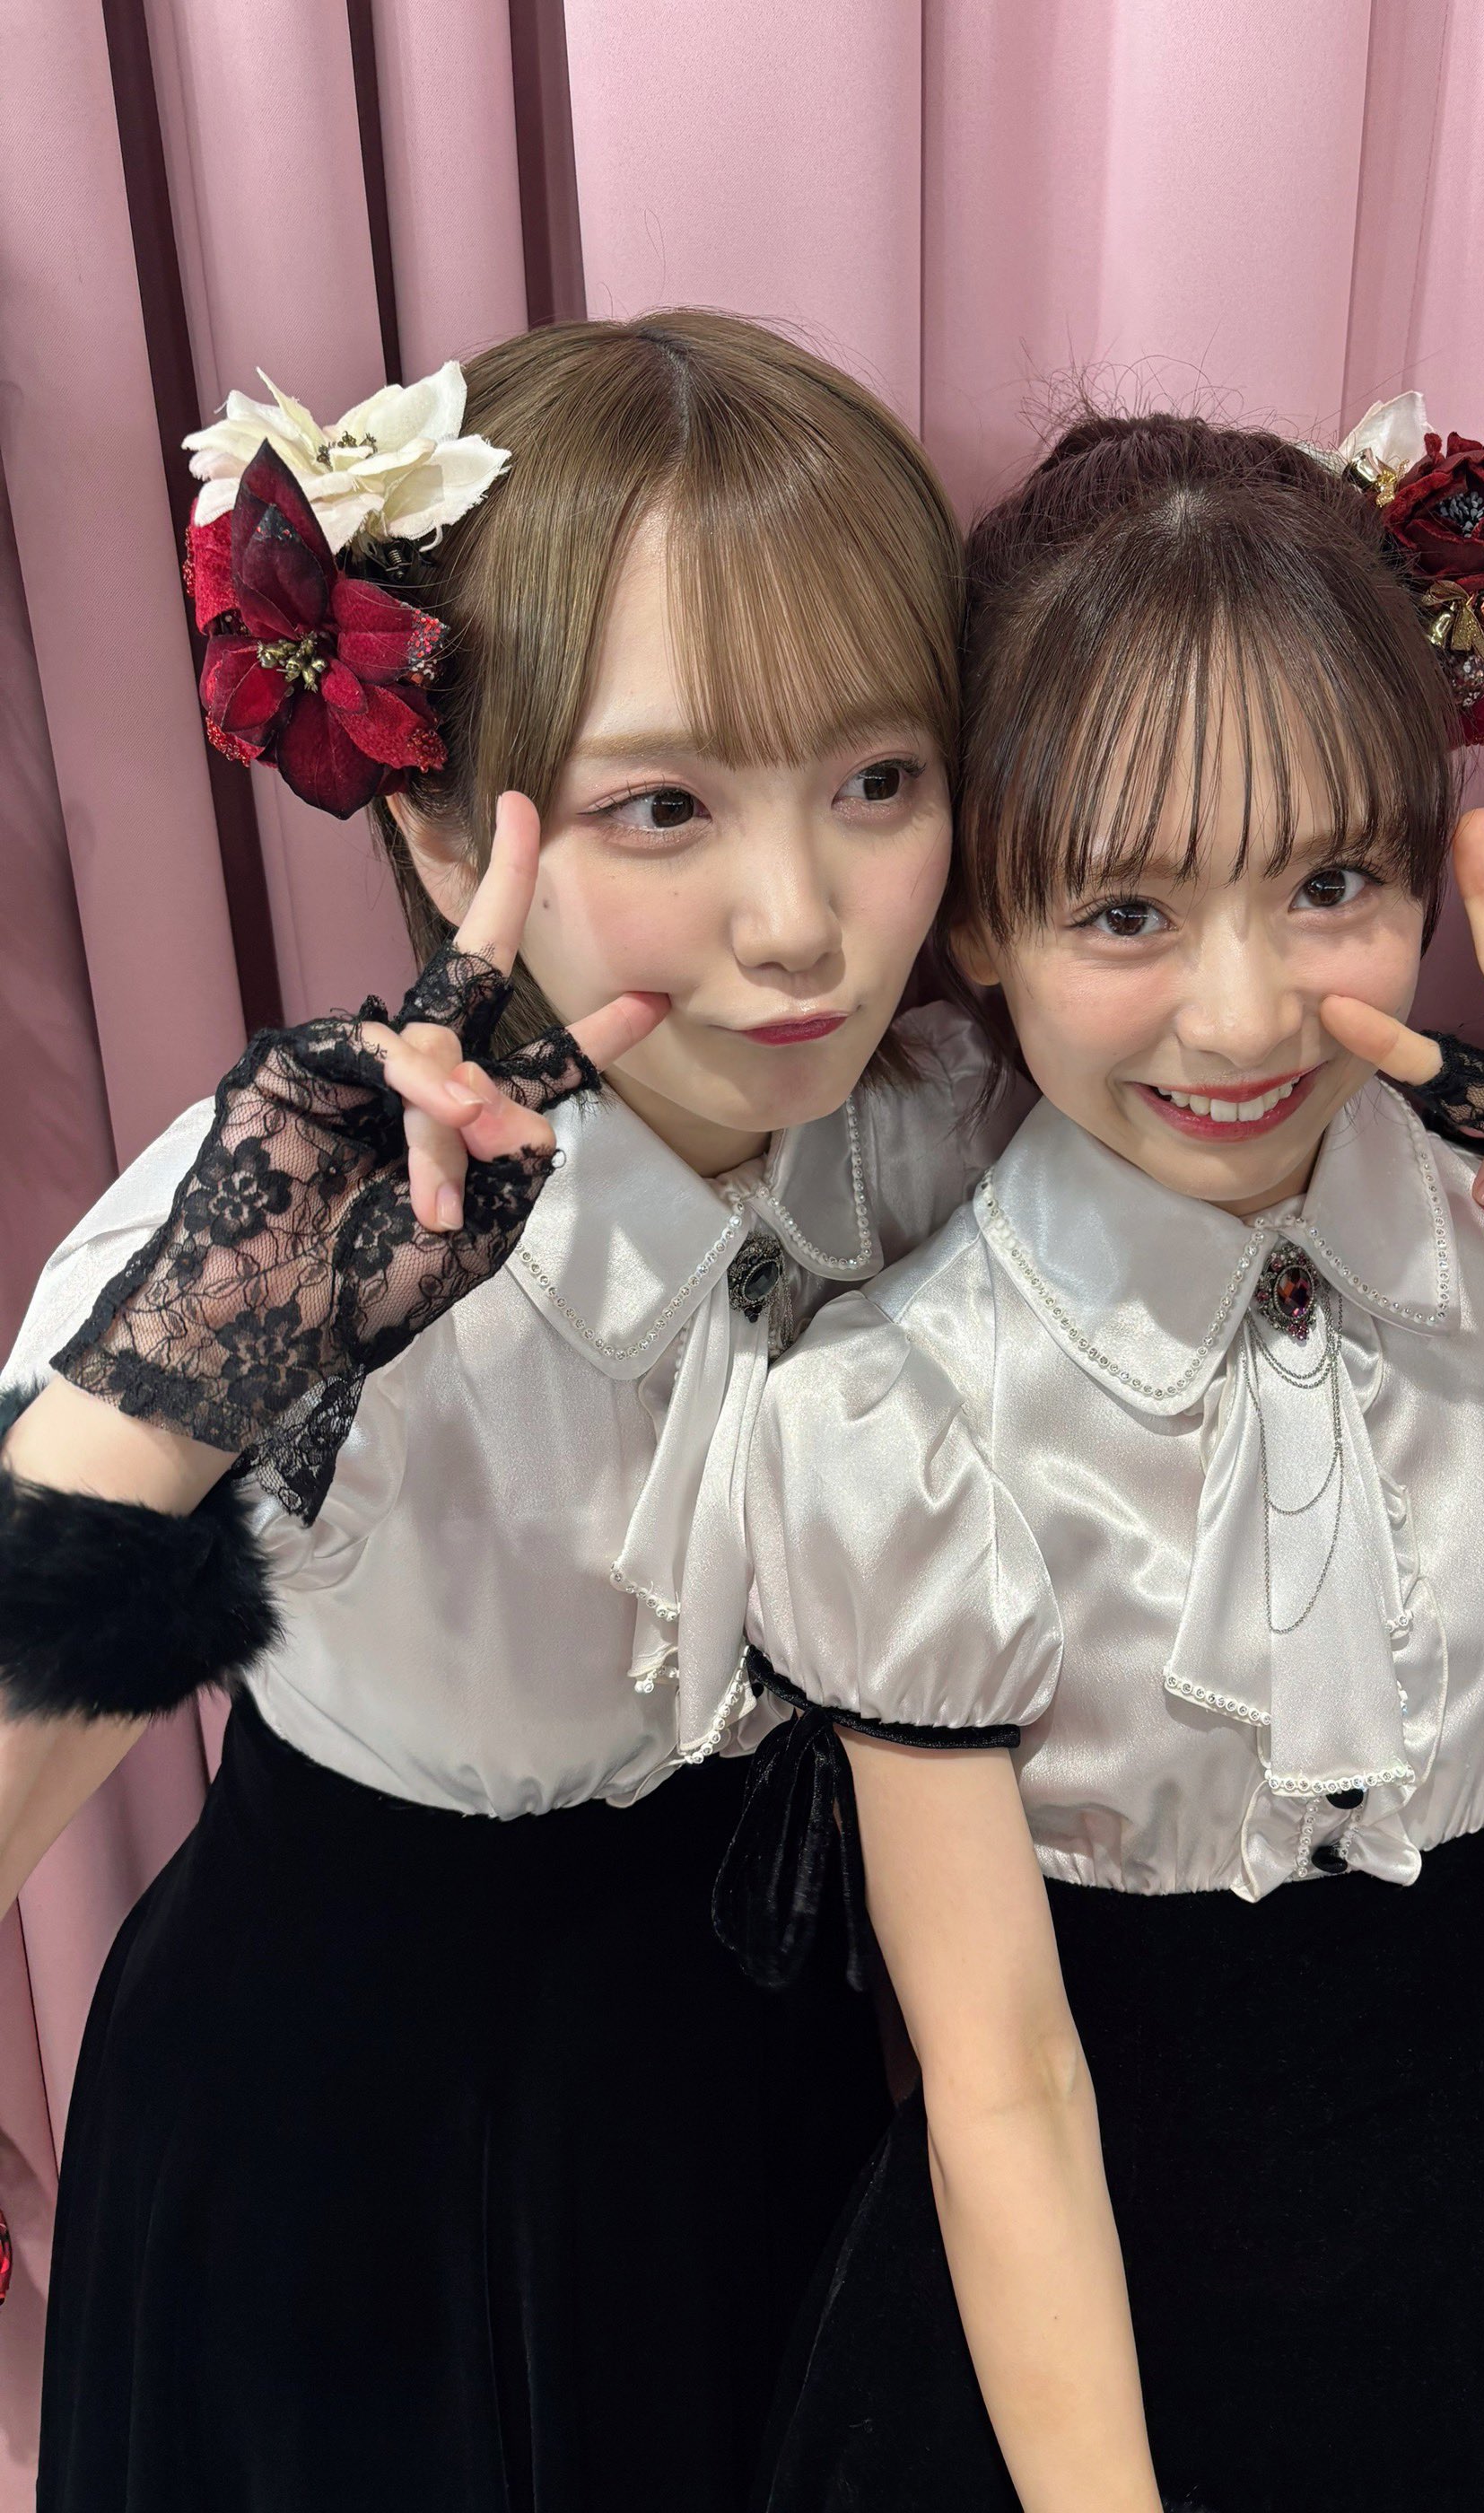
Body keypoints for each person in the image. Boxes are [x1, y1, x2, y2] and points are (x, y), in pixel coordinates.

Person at [720, 402, 1484, 2511]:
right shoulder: (900, 1410)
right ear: (979, 920)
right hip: (1064, 2394)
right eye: (1126, 910)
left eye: (1330, 883)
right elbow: (1002, 2088)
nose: (1246, 1014)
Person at [0, 311, 1028, 2513]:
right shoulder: (286, 1217)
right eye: (667, 805)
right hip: (340, 2164)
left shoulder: (943, 1121)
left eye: (879, 779)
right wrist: (202, 1372)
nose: (802, 923)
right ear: (445, 812)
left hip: (762, 2086)